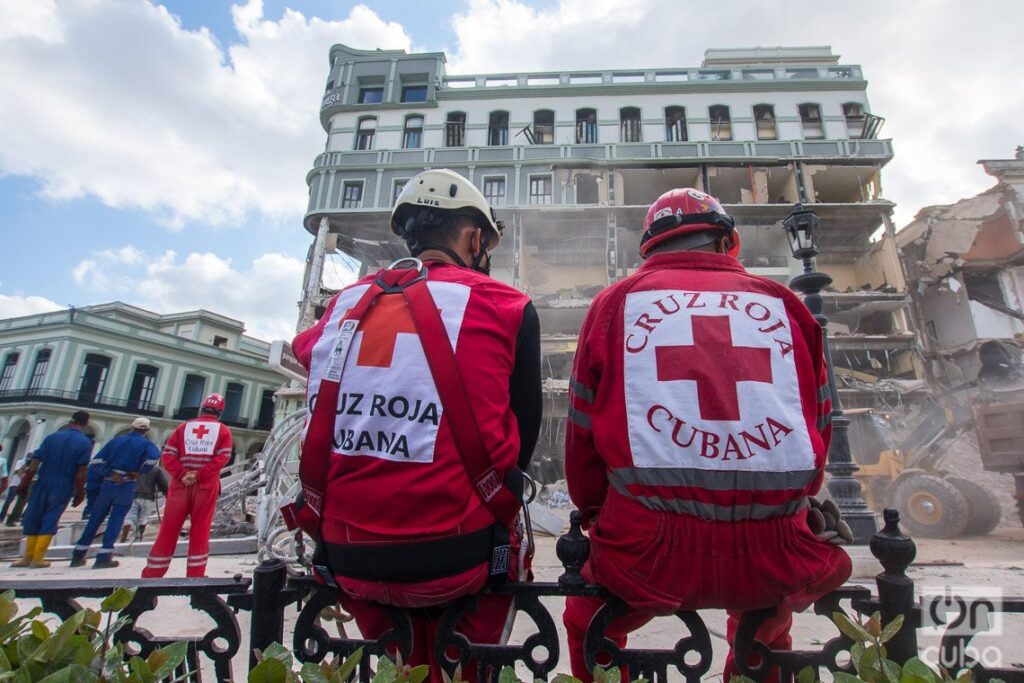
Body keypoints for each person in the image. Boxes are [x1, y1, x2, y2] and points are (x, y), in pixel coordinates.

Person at [561, 188, 853, 681]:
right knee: (767, 633)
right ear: (728, 242)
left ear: (650, 248)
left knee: (587, 620)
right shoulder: (783, 303)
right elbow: (818, 423)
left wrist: (595, 516)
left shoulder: (615, 304)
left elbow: (582, 434)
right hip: (774, 545)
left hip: (646, 548)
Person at [290, 168, 541, 679]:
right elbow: (523, 442)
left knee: (398, 667)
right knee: (469, 664)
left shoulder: (340, 306)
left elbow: (305, 356)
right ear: (474, 239)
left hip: (346, 554)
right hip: (463, 554)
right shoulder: (506, 306)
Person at [141, 394, 233, 578]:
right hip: (205, 486)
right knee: (200, 529)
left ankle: (153, 573)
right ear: (220, 412)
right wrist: (199, 475)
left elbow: (167, 455)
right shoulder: (223, 431)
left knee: (168, 529)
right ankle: (196, 574)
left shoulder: (183, 428)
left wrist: (183, 474)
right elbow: (223, 457)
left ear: (202, 408)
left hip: (180, 486)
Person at [70, 418, 161, 569]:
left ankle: (78, 555)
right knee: (116, 520)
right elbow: (153, 459)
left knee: (95, 519)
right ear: (146, 430)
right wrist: (137, 472)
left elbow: (96, 462)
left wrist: (110, 472)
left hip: (108, 483)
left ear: (132, 427)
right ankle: (104, 557)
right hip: (127, 484)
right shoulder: (146, 444)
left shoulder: (116, 441)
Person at [11, 411, 93, 568]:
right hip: (63, 484)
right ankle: (38, 558)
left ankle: (27, 557)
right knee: (51, 517)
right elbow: (82, 470)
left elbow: (34, 463)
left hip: (42, 482)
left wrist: (24, 483)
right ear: (86, 424)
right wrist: (80, 491)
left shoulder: (52, 437)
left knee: (33, 515)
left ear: (70, 421)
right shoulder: (84, 442)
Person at [121, 465, 170, 543]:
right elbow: (163, 484)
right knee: (143, 520)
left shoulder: (134, 465)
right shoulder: (156, 469)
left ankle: (124, 540)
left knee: (129, 518)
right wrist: (166, 494)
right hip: (148, 497)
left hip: (133, 495)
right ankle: (138, 540)